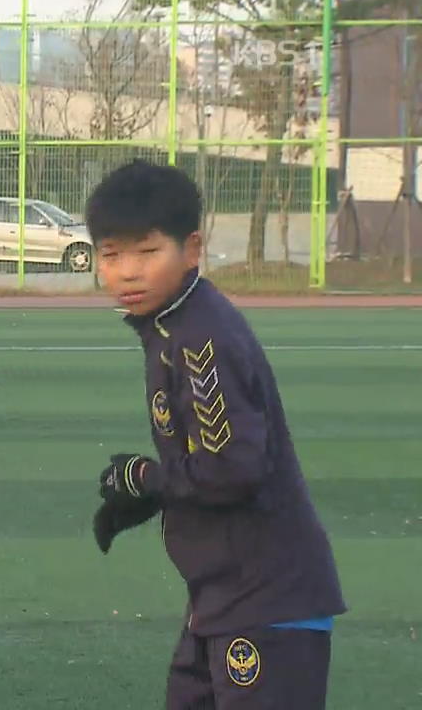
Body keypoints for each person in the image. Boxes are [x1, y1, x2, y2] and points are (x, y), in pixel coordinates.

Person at [87, 160, 345, 709]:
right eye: (111, 255)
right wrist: (153, 494)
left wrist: (149, 480)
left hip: (268, 602)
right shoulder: (170, 325)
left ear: (193, 249)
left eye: (148, 252)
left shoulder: (202, 337)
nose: (128, 271)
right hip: (223, 597)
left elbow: (233, 468)